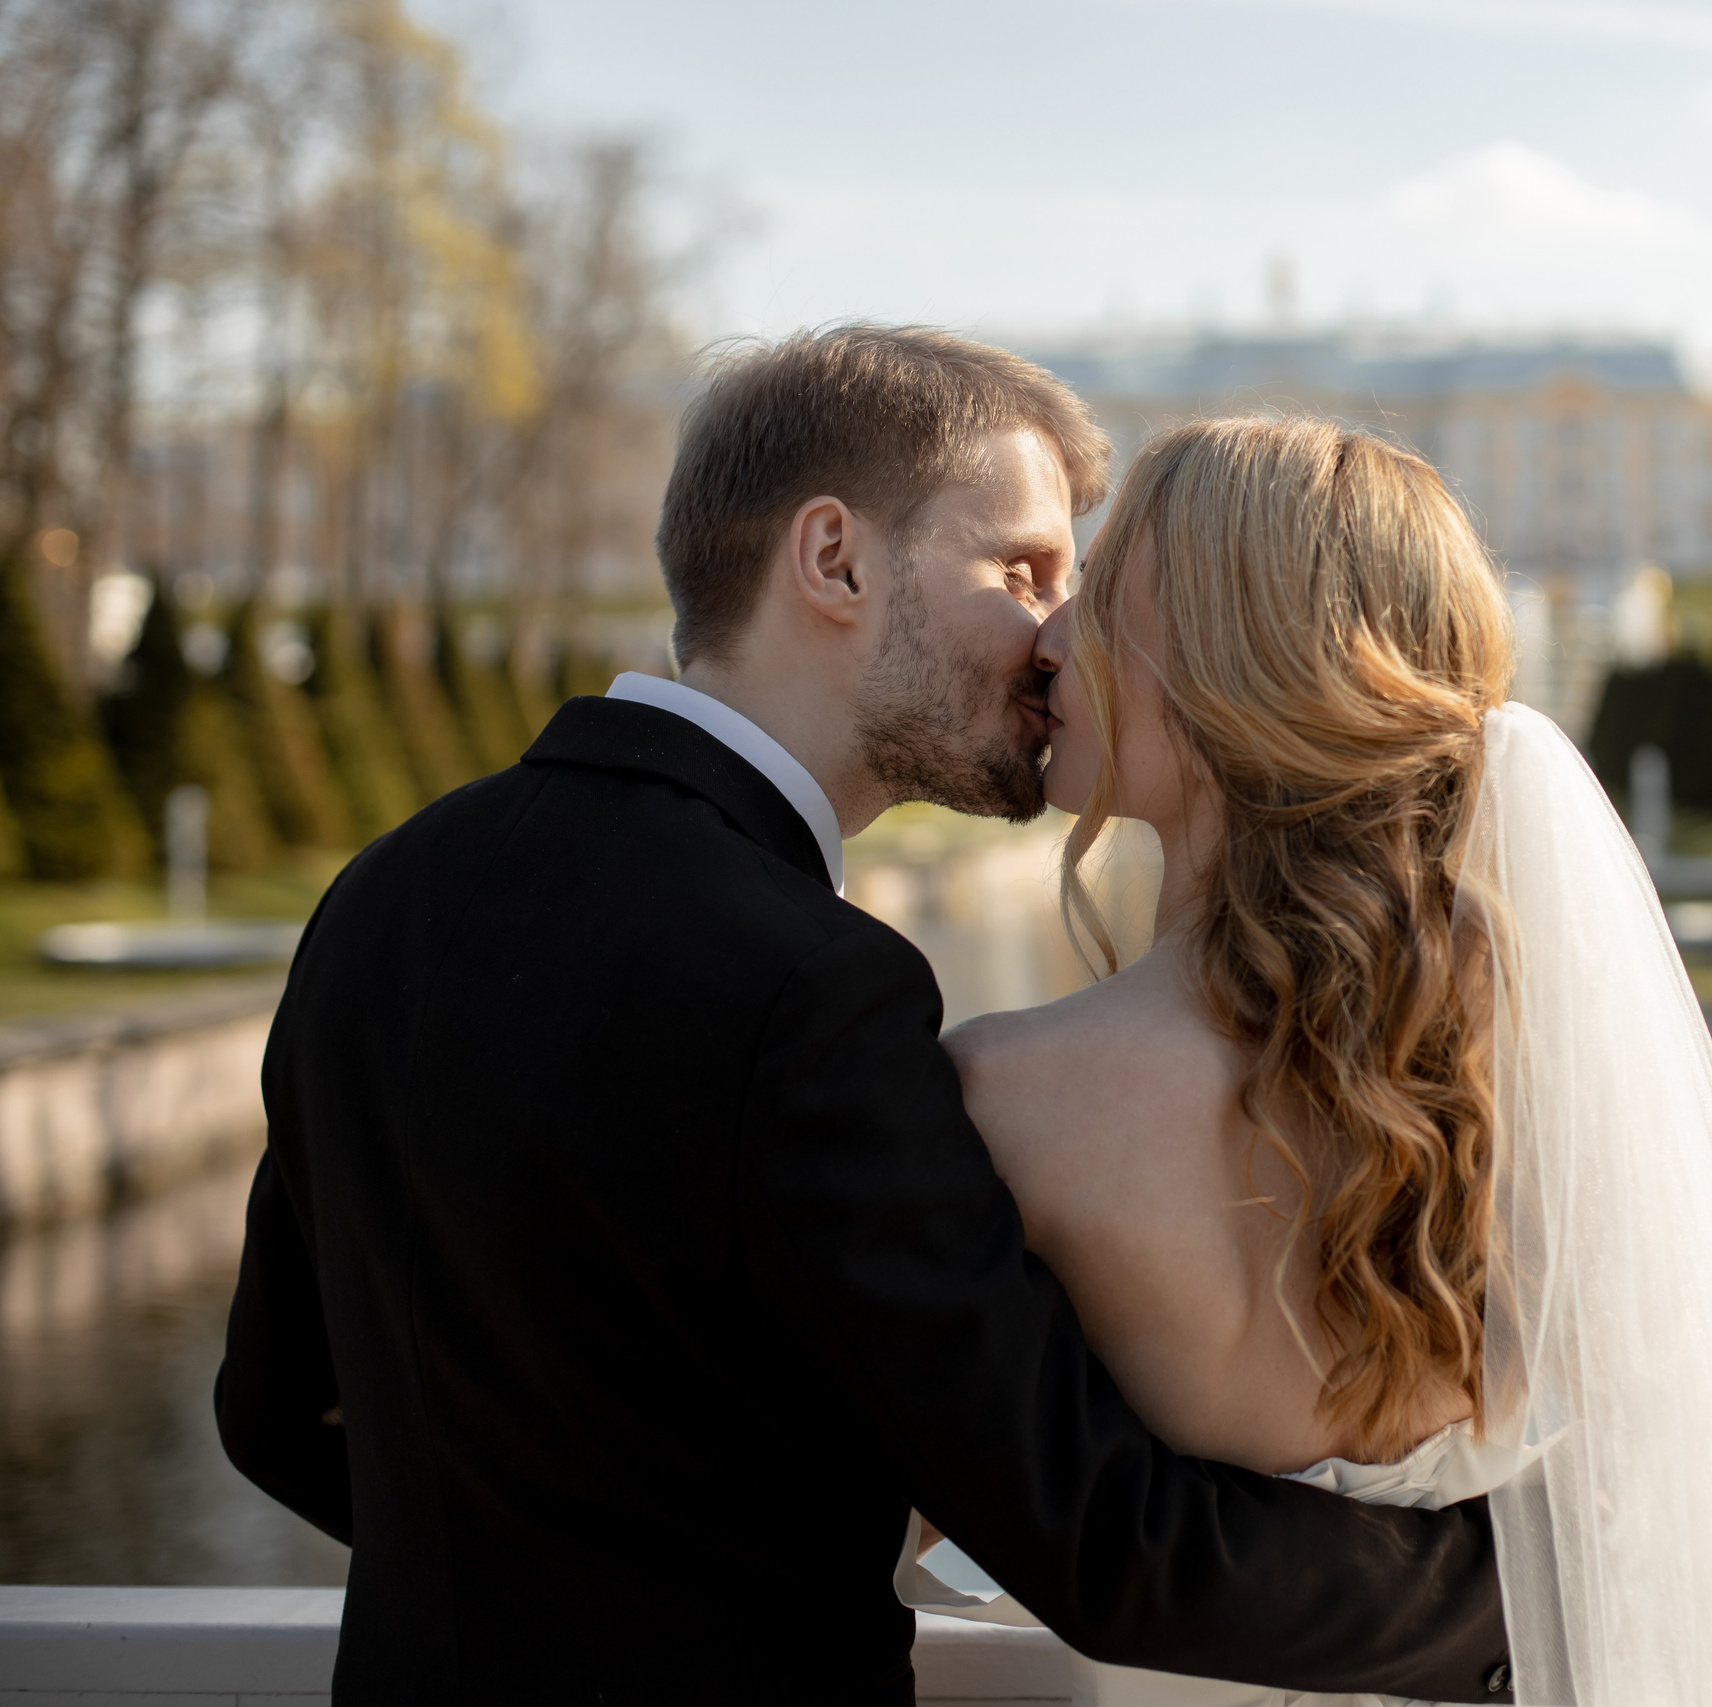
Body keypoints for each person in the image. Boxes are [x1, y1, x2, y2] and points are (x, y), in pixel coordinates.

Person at [215, 328, 1517, 1703]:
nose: (1052, 637)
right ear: (833, 560)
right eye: (1018, 569)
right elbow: (1109, 1543)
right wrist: (1543, 1582)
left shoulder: (388, 893)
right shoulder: (816, 990)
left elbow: (273, 1414)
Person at [910, 414, 1712, 1704]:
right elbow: (1671, 1425)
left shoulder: (1003, 1095)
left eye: (1106, 600)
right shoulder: (1527, 1020)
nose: (1050, 638)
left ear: (1245, 666)